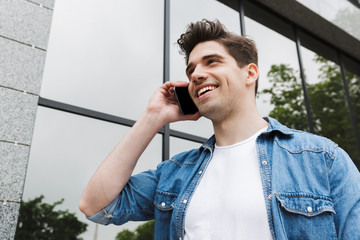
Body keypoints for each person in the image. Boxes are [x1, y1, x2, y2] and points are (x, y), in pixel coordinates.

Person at [79, 19, 360, 239]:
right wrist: (154, 116)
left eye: (212, 61)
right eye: (190, 71)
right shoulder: (176, 173)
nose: (196, 74)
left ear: (249, 73)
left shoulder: (321, 158)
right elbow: (96, 206)